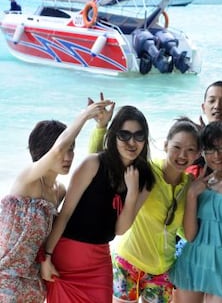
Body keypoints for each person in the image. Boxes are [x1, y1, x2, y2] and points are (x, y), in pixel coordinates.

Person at [41, 105, 155, 302]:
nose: (131, 142)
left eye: (138, 135)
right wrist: (46, 256)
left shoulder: (144, 178)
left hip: (99, 260)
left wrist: (132, 192)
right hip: (67, 256)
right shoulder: (93, 164)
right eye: (124, 135)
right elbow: (65, 214)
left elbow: (120, 229)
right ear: (113, 135)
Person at [0, 99, 110, 302]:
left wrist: (101, 127)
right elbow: (57, 150)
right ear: (45, 152)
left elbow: (93, 168)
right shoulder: (28, 180)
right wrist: (84, 115)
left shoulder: (58, 191)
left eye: (72, 149)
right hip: (5, 277)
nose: (68, 156)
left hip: (34, 281)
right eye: (64, 149)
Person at [111, 116, 201, 303]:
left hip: (163, 269)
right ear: (166, 145)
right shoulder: (147, 171)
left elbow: (187, 234)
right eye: (176, 147)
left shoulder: (190, 186)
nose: (182, 155)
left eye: (190, 150)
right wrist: (101, 127)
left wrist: (193, 197)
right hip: (129, 262)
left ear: (198, 154)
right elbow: (106, 167)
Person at [170, 121, 222, 303]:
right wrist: (191, 195)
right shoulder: (197, 182)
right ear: (202, 152)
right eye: (210, 149)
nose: (217, 156)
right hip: (192, 261)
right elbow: (190, 236)